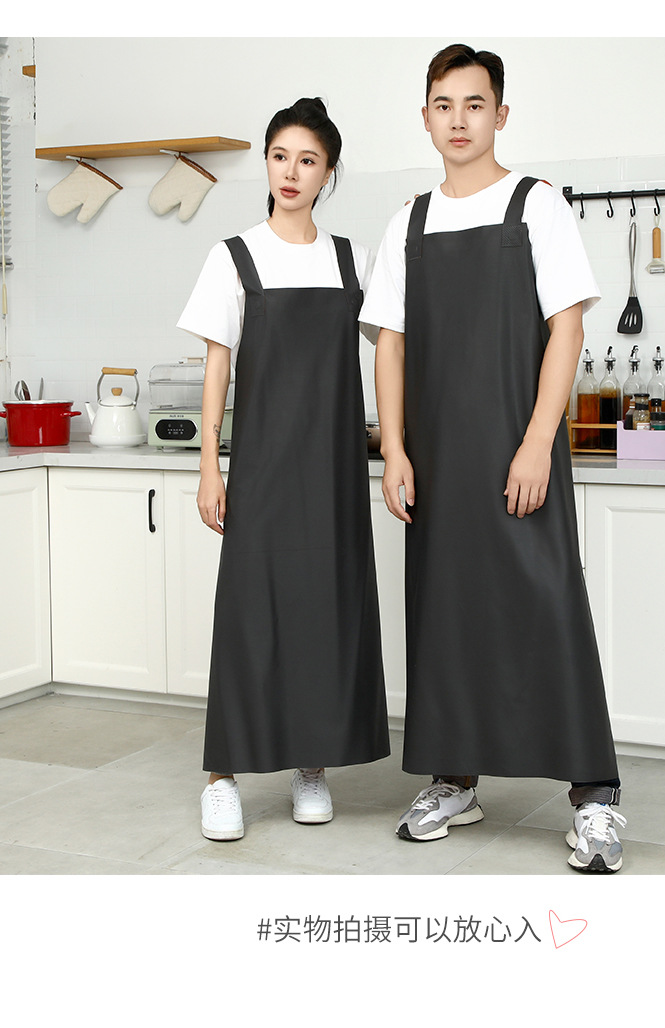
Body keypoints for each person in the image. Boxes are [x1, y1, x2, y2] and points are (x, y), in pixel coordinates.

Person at [361, 44, 626, 872]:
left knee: (548, 609)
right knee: (445, 616)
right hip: (437, 462)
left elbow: (567, 328)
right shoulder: (407, 222)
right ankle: (454, 780)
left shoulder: (536, 205)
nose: (459, 120)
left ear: (500, 114)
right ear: (425, 117)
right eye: (443, 105)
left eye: (474, 105)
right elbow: (390, 345)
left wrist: (539, 441)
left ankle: (594, 796)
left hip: (519, 451)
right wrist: (394, 450)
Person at [178, 97, 390, 842]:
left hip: (333, 473)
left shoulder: (351, 259)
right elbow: (218, 366)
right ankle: (222, 777)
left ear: (328, 173)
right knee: (249, 614)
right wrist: (210, 466)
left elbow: (393, 349)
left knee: (322, 611)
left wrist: (396, 439)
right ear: (266, 164)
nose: (290, 172)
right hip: (263, 467)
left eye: (307, 160)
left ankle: (311, 765)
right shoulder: (233, 256)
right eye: (279, 157)